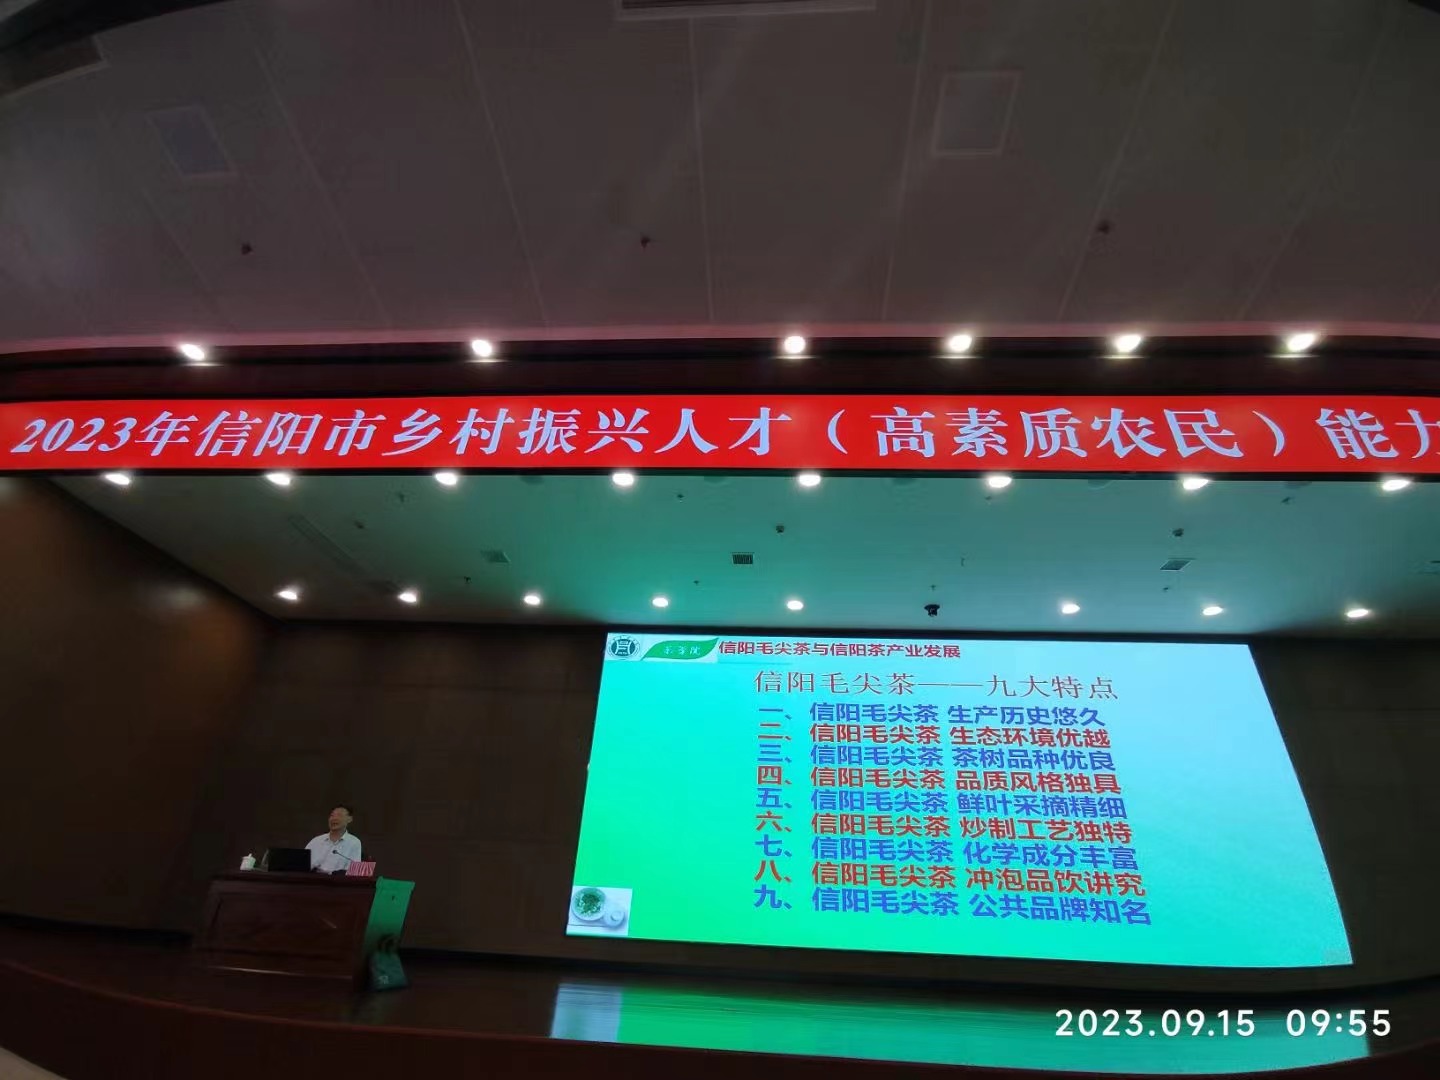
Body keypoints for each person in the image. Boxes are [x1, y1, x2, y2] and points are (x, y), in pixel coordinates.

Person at [306, 805, 361, 874]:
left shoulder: (354, 842)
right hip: (314, 878)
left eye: (339, 815)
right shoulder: (316, 841)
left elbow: (354, 872)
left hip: (338, 880)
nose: (334, 818)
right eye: (332, 815)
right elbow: (302, 864)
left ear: (349, 819)